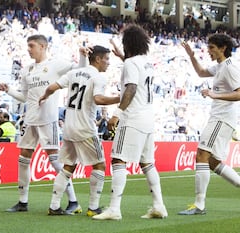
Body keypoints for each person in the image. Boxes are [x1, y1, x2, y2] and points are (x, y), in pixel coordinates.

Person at [0, 34, 86, 214]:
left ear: (42, 46)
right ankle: (22, 202)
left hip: (48, 119)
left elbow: (80, 71)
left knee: (55, 160)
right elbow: (24, 96)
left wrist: (83, 55)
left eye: (31, 46)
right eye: (28, 46)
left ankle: (73, 200)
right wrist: (9, 90)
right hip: (30, 120)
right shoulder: (27, 71)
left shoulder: (55, 65)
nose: (28, 49)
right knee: (23, 158)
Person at [93, 24, 168, 220]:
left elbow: (131, 89)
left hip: (132, 118)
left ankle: (114, 209)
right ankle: (159, 206)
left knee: (118, 159)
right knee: (148, 163)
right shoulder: (146, 62)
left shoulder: (130, 64)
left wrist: (117, 113)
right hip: (148, 119)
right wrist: (122, 57)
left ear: (128, 43)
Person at [39, 45, 120, 216]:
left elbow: (52, 87)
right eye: (106, 59)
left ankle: (54, 206)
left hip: (69, 127)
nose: (108, 63)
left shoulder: (74, 73)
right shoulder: (97, 77)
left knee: (68, 166)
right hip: (85, 127)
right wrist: (120, 98)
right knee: (99, 165)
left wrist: (45, 96)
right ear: (97, 59)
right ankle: (93, 207)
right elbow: (98, 99)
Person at [178, 34, 240, 215]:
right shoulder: (220, 67)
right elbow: (201, 73)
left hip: (222, 118)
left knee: (201, 155)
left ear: (223, 48)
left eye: (212, 47)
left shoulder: (230, 67)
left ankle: (199, 205)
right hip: (219, 117)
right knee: (212, 162)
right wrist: (191, 55)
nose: (209, 50)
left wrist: (215, 94)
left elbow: (239, 93)